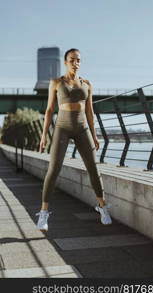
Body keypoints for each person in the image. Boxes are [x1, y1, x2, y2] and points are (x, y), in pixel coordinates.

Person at [36, 48, 112, 232]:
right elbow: (49, 110)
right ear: (65, 62)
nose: (75, 63)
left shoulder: (87, 84)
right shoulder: (56, 83)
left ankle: (102, 208)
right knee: (54, 169)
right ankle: (43, 213)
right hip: (62, 128)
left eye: (78, 60)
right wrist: (44, 135)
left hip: (82, 128)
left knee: (93, 168)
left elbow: (90, 112)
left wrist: (94, 135)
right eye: (72, 60)